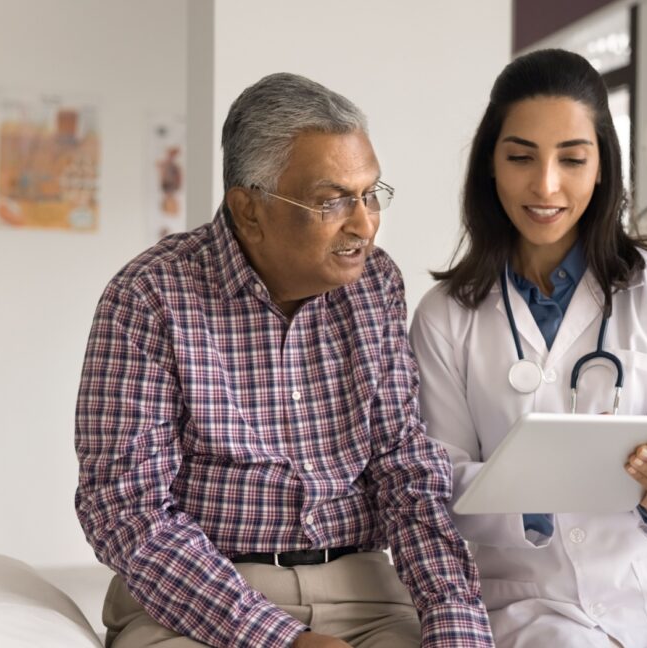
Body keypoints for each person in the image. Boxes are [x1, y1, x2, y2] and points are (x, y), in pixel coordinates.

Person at [75, 73, 494, 648]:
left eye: (371, 194)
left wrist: (455, 621)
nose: (364, 224)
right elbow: (125, 509)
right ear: (249, 209)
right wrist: (277, 640)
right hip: (202, 601)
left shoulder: (376, 284)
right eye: (333, 201)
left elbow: (406, 471)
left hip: (364, 592)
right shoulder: (150, 297)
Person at [408, 49, 647, 647]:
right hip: (531, 599)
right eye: (521, 157)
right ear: (490, 166)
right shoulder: (445, 316)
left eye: (573, 159)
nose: (546, 185)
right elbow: (437, 481)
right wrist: (537, 492)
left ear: (603, 166)